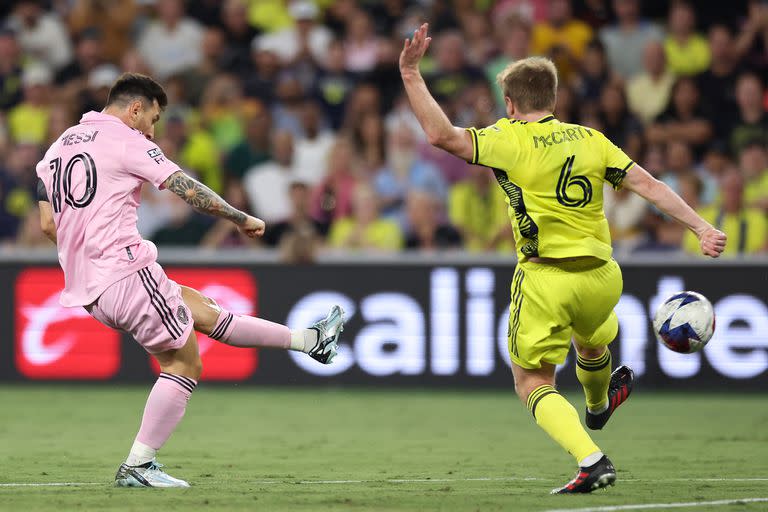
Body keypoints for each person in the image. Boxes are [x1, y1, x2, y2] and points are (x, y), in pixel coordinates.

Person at [399, 24, 727, 494]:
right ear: (552, 99)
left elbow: (440, 135)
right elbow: (649, 186)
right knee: (591, 345)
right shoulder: (590, 139)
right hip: (601, 276)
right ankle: (597, 408)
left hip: (547, 278)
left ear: (510, 104)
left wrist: (411, 73)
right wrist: (701, 227)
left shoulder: (507, 138)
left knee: (531, 380)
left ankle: (591, 460)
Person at [34, 73, 344, 488]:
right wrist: (241, 217)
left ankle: (310, 341)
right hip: (125, 271)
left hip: (89, 284)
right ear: (135, 109)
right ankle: (139, 465)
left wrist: (82, 242)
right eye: (154, 118)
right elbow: (187, 188)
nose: (153, 129)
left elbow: (47, 222)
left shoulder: (61, 145)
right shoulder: (129, 140)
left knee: (204, 311)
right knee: (184, 364)